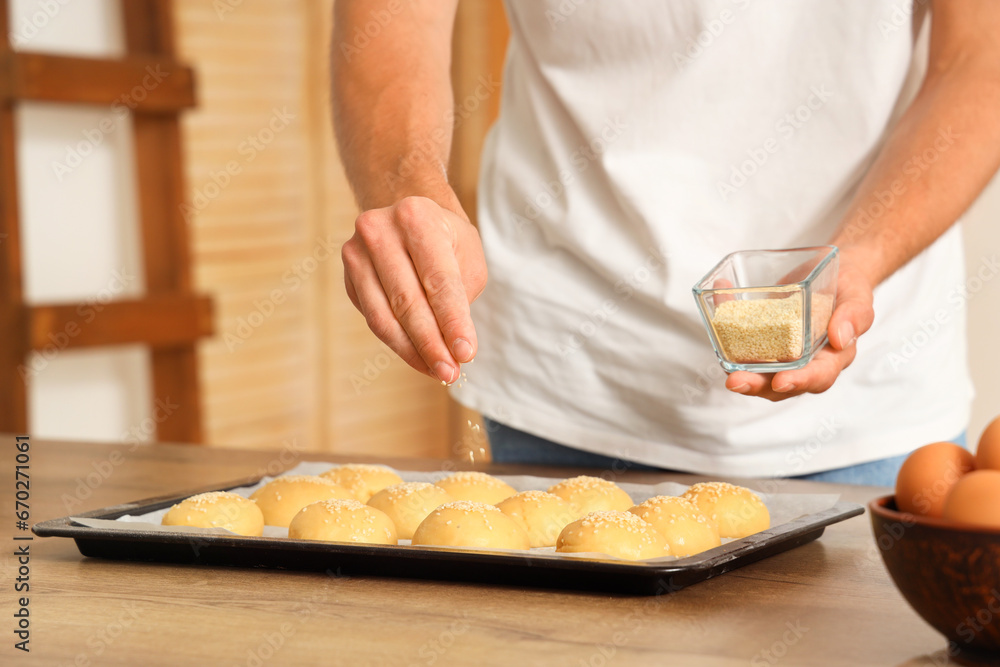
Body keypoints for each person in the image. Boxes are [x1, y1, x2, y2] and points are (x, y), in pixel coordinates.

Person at [332, 0, 1000, 485]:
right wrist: (406, 184)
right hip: (569, 377)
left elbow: (981, 58)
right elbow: (393, 22)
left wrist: (862, 256)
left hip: (871, 409)